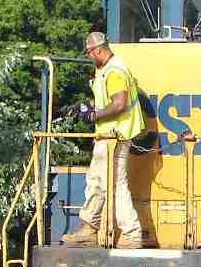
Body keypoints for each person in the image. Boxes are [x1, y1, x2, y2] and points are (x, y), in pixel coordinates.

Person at [61, 32, 146, 249]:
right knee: (96, 182)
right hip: (107, 137)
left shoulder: (114, 71)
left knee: (115, 185)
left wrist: (93, 116)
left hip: (115, 137)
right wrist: (86, 107)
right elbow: (105, 100)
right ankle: (90, 229)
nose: (89, 57)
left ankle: (131, 233)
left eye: (89, 53)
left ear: (98, 50)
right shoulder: (105, 70)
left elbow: (118, 104)